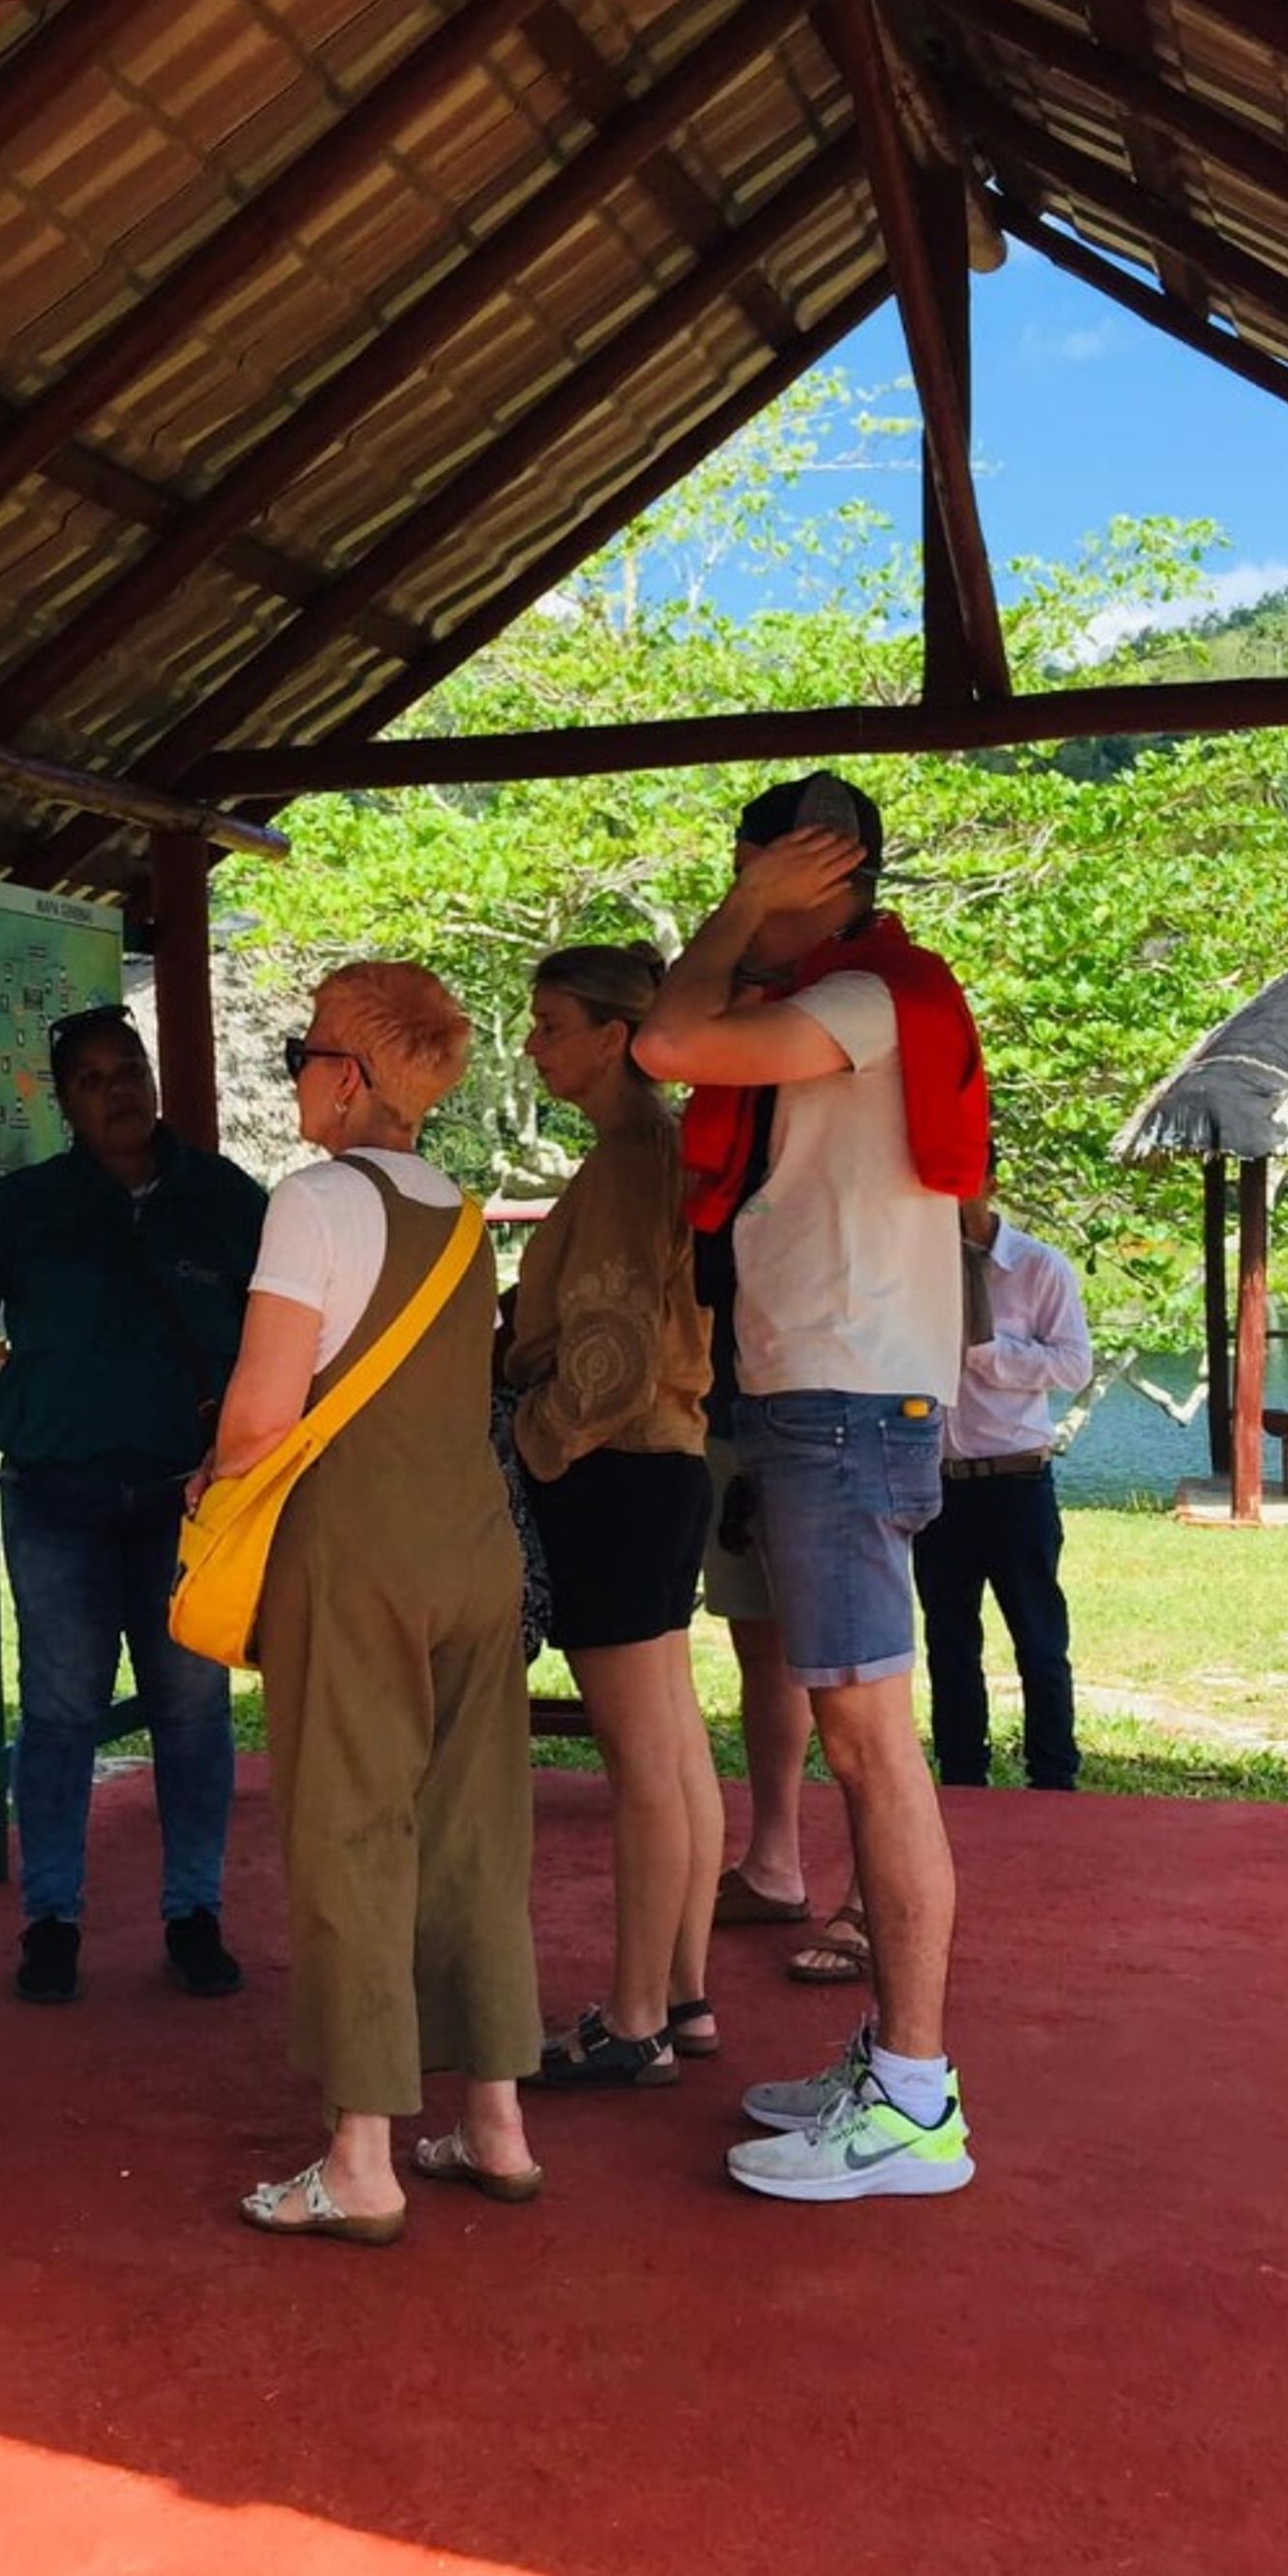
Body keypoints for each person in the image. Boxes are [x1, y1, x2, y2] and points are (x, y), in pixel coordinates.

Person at [635, 769, 987, 2203]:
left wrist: (743, 904)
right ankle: (893, 2069)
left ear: (814, 869)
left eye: (755, 870)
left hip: (844, 1407)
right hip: (827, 1402)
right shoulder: (854, 1001)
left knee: (873, 1750)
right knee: (863, 1742)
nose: (741, 901)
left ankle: (913, 2098)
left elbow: (668, 1037)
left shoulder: (863, 1000)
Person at [209, 963, 540, 2242]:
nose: (295, 1074)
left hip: (356, 1557)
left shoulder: (314, 1201)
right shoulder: (460, 1213)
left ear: (347, 1076)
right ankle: (496, 2120)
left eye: (302, 1053)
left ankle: (361, 2158)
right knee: (472, 1830)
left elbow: (260, 1415)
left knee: (350, 1828)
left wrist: (209, 1482)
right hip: (476, 1552)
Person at [0, 1004, 262, 2008]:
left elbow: (281, 1331)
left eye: (132, 1069)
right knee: (62, 1712)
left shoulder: (226, 1200)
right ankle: (52, 1921)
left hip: (188, 1503)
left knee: (193, 1712)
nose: (122, 1091)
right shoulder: (26, 1207)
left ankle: (195, 1914)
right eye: (94, 1080)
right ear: (64, 1105)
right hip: (56, 1498)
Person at [506, 942, 721, 2087]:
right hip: (660, 1466)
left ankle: (635, 2017)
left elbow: (611, 1357)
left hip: (616, 1471)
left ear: (611, 1038)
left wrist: (532, 1443)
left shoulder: (635, 1158)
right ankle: (680, 1995)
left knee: (644, 1761)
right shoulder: (649, 1152)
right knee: (673, 1748)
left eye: (552, 1024)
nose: (533, 1044)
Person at [918, 1189, 1094, 1793]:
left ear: (987, 1180)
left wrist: (990, 1356)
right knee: (948, 1642)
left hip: (1015, 1481)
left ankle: (1053, 1778)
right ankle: (962, 1777)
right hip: (938, 1484)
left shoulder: (1039, 1268)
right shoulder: (912, 1268)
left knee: (1038, 1640)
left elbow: (1073, 1366)